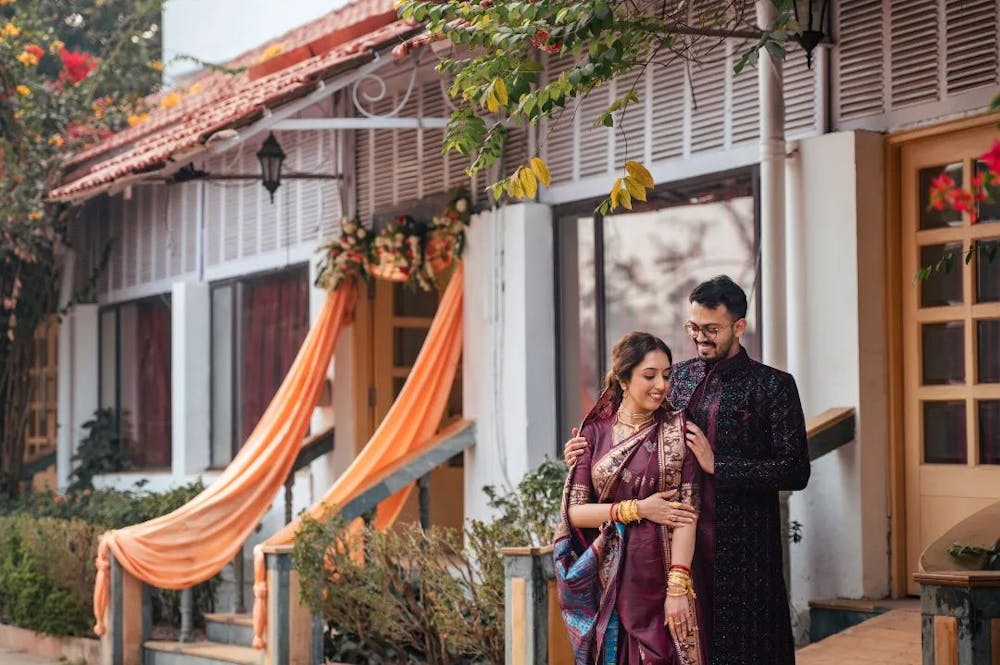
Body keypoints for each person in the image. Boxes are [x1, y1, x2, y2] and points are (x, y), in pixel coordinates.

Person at [564, 276, 810, 665]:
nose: (700, 338)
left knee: (753, 650)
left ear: (738, 326)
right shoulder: (674, 377)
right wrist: (582, 450)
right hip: (674, 547)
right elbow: (627, 430)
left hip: (745, 552)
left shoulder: (772, 387)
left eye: (711, 330)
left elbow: (795, 471)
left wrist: (720, 465)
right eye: (693, 328)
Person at [554, 331, 712, 665]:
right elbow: (576, 514)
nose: (661, 385)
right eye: (649, 375)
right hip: (611, 580)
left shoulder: (677, 430)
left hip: (665, 574)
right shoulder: (593, 434)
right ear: (624, 379)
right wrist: (639, 508)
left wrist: (678, 588)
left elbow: (687, 515)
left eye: (667, 376)